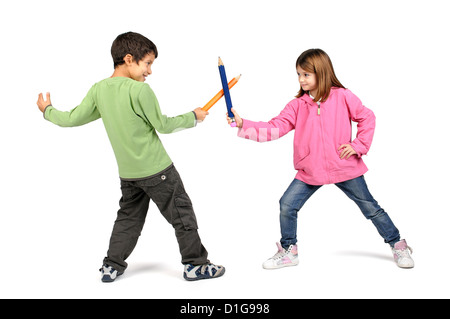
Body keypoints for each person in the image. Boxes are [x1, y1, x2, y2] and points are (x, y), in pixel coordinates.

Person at [36, 31, 225, 282]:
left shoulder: (99, 90)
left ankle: (111, 266)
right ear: (128, 59)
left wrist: (47, 110)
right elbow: (164, 125)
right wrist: (194, 116)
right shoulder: (140, 91)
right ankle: (196, 264)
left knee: (128, 219)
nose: (149, 71)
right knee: (183, 215)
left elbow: (71, 119)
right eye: (147, 63)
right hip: (159, 172)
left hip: (129, 175)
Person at [227, 48, 414, 269]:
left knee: (370, 208)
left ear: (322, 73)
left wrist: (358, 146)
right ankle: (289, 251)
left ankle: (398, 244)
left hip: (344, 166)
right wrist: (243, 124)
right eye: (298, 74)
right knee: (287, 204)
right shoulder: (297, 105)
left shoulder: (343, 96)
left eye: (306, 74)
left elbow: (367, 117)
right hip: (311, 169)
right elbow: (274, 128)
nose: (301, 79)